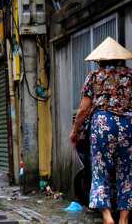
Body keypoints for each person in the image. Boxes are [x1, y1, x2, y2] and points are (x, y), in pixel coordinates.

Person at [70, 37, 132, 224]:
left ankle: (107, 217)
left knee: (100, 170)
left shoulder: (94, 77)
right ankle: (123, 219)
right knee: (127, 172)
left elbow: (83, 110)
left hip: (103, 125)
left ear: (100, 60)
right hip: (128, 125)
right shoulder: (130, 76)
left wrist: (75, 131)